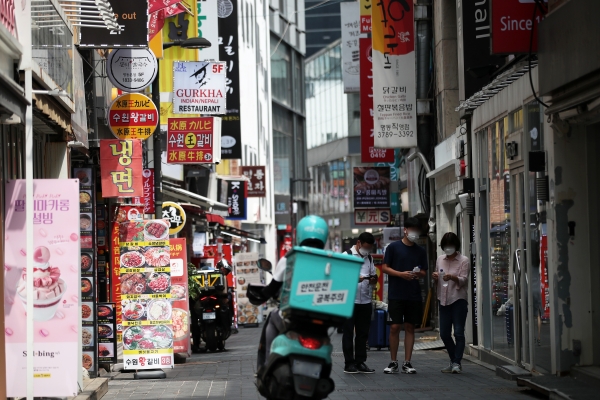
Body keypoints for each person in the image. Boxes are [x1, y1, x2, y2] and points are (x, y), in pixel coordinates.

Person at [248, 215, 329, 369]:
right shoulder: (331, 261)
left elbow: (272, 288)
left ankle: (265, 367)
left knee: (272, 317)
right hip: (322, 317)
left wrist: (262, 294)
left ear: (299, 235)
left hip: (294, 315)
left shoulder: (289, 259)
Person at [382, 217, 428, 374]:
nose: (415, 233)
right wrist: (401, 274)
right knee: (394, 327)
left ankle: (407, 362)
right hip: (396, 293)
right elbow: (385, 268)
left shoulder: (420, 251)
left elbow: (424, 272)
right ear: (405, 230)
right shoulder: (393, 248)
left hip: (413, 294)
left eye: (417, 231)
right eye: (412, 230)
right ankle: (393, 361)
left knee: (410, 327)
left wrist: (417, 274)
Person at [432, 232, 470, 374]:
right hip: (443, 299)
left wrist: (453, 277)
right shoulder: (440, 259)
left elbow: (464, 279)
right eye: (445, 246)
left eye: (450, 245)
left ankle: (456, 362)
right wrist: (435, 277)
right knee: (444, 334)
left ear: (456, 246)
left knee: (459, 332)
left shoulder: (463, 260)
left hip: (458, 298)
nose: (448, 248)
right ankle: (455, 361)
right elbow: (437, 278)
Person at [342, 233, 377, 374]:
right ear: (358, 243)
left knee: (363, 333)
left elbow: (373, 276)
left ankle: (360, 362)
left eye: (369, 248)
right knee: (348, 332)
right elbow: (339, 277)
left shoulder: (369, 258)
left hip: (365, 300)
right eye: (365, 247)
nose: (367, 250)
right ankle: (349, 363)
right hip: (349, 301)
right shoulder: (346, 255)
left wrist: (373, 280)